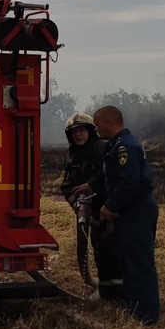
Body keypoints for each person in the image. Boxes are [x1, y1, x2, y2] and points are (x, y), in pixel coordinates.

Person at [73, 105, 160, 325]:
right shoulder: (115, 146)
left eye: (97, 123)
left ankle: (147, 318)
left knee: (139, 263)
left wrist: (109, 206)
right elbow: (108, 176)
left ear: (109, 122)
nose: (95, 128)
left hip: (137, 209)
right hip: (129, 210)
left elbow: (128, 183)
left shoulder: (125, 147)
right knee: (128, 261)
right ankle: (134, 309)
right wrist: (91, 186)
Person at [58, 112, 122, 297]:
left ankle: (119, 293)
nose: (77, 135)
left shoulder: (103, 150)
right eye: (73, 133)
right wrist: (76, 205)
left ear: (90, 132)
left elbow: (109, 178)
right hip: (90, 213)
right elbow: (66, 185)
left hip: (109, 211)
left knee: (113, 251)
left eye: (81, 131)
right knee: (99, 250)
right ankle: (105, 290)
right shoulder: (72, 156)